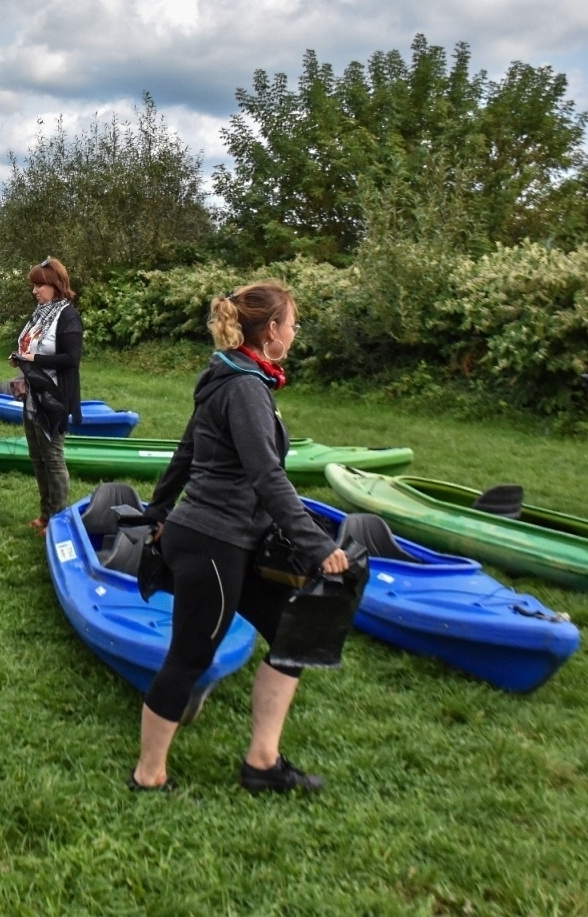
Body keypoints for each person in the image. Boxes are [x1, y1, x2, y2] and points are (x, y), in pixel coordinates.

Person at [133, 280, 349, 794]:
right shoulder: (244, 386)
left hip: (236, 539)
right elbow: (267, 476)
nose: (295, 334)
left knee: (294, 636)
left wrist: (159, 510)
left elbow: (186, 453)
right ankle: (148, 775)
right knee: (190, 657)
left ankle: (262, 763)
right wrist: (319, 547)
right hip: (213, 540)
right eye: (292, 324)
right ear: (271, 330)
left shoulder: (234, 377)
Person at [11, 257, 82, 533]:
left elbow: (71, 359)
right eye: (34, 285)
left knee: (53, 458)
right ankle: (45, 514)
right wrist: (21, 358)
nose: (35, 290)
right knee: (37, 457)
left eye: (40, 285)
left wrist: (35, 359)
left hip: (55, 397)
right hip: (32, 395)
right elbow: (31, 347)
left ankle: (59, 520)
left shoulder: (68, 316)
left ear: (55, 285)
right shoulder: (40, 313)